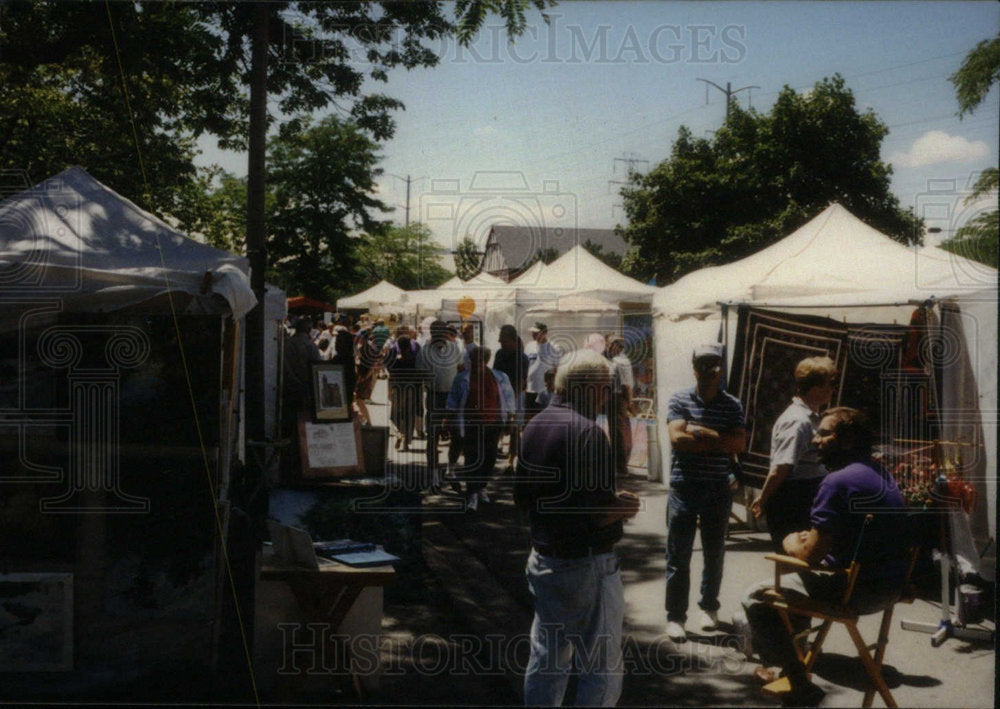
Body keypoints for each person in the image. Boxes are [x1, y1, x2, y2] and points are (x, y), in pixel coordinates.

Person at [743, 407, 908, 707]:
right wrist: (816, 540)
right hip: (891, 588)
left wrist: (791, 541)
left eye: (824, 433)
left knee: (755, 597)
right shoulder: (878, 473)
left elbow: (811, 554)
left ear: (846, 441)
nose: (816, 440)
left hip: (853, 592)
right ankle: (796, 663)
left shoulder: (836, 482)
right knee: (794, 589)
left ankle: (794, 678)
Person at [516, 349, 641, 707]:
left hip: (544, 558)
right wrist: (624, 506)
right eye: (604, 389)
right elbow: (596, 513)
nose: (606, 398)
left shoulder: (536, 425)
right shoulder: (588, 433)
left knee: (547, 660)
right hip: (585, 565)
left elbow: (525, 500)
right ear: (586, 387)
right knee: (600, 668)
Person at [664, 343, 746, 642]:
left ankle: (709, 607)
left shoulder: (732, 405)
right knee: (678, 554)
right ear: (694, 368)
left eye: (714, 364)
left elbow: (739, 445)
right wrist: (719, 439)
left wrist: (702, 432)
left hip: (717, 487)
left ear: (720, 367)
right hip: (685, 486)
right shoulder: (680, 398)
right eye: (703, 364)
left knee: (714, 553)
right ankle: (675, 616)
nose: (709, 370)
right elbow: (677, 440)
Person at [750, 356, 837, 551]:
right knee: (795, 555)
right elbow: (782, 467)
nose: (832, 389)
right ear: (814, 387)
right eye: (829, 384)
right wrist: (763, 498)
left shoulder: (811, 417)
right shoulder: (798, 421)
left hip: (806, 494)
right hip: (794, 498)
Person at [447, 346, 515, 511]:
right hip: (471, 424)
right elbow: (453, 401)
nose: (477, 362)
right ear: (470, 359)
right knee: (472, 458)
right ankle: (472, 493)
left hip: (493, 423)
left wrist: (510, 421)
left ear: (486, 360)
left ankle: (482, 486)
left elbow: (508, 398)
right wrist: (449, 421)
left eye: (481, 359)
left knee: (489, 457)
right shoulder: (462, 378)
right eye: (474, 358)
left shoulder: (500, 377)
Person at [416, 320, 465, 484]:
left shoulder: (454, 348)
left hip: (452, 397)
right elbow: (420, 376)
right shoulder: (424, 351)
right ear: (432, 333)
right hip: (434, 396)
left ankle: (451, 468)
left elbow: (461, 370)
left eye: (442, 332)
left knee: (457, 434)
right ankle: (434, 472)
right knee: (433, 435)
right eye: (436, 332)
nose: (440, 335)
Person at [492, 324, 529, 469]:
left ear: (511, 339)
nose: (500, 342)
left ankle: (511, 460)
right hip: (501, 396)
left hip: (516, 395)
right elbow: (495, 375)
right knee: (497, 427)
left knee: (514, 429)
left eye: (502, 339)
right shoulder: (500, 354)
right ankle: (493, 454)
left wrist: (510, 404)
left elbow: (521, 382)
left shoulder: (522, 358)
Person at [385, 330, 422, 452]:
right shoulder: (415, 357)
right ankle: (406, 442)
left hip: (398, 389)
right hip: (412, 389)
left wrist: (389, 390)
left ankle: (401, 432)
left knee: (395, 416)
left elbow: (389, 371)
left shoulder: (395, 357)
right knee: (409, 416)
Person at [524, 322, 560, 419]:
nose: (534, 335)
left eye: (537, 332)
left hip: (544, 391)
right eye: (533, 332)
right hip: (530, 389)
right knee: (529, 419)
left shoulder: (554, 348)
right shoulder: (529, 346)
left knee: (543, 418)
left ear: (544, 333)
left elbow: (557, 369)